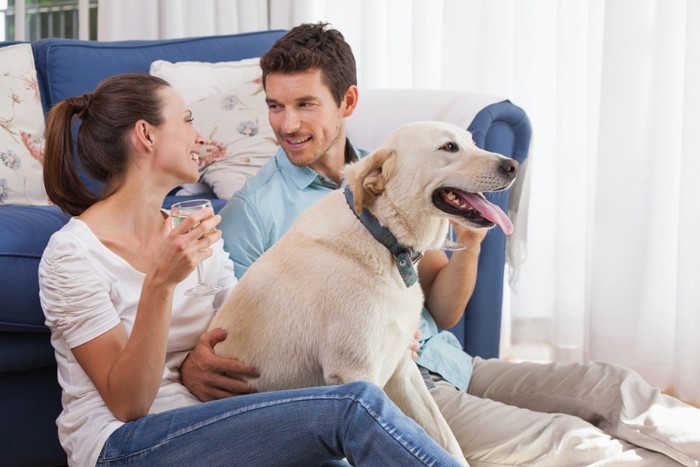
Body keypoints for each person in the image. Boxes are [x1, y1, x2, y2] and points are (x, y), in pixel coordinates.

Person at [211, 23, 700, 467]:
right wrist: (192, 368)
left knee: (612, 385)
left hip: (449, 361)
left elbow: (443, 311)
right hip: (401, 388)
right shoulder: (254, 211)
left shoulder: (400, 173)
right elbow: (233, 336)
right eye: (275, 106)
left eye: (304, 104)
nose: (288, 125)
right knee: (571, 441)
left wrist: (472, 237)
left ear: (348, 102)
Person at [38, 73, 465, 467]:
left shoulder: (193, 231)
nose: (199, 136)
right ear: (145, 135)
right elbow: (127, 404)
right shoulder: (72, 255)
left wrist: (376, 334)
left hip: (211, 420)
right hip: (124, 444)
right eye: (186, 120)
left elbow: (248, 330)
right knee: (352, 406)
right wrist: (160, 286)